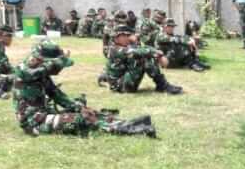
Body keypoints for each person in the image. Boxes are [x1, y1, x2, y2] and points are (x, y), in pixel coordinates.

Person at [13, 40, 156, 137]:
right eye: (58, 67)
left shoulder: (41, 73)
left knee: (86, 112)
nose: (60, 69)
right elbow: (31, 73)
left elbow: (57, 95)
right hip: (34, 122)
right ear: (43, 61)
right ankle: (128, 130)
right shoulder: (24, 70)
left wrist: (79, 107)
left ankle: (124, 122)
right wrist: (57, 61)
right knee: (81, 120)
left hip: (45, 114)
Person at [103, 25, 183, 94]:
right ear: (116, 37)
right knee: (142, 57)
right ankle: (162, 85)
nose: (128, 37)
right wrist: (157, 53)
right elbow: (137, 52)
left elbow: (142, 48)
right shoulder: (114, 49)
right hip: (119, 86)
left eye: (129, 35)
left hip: (124, 82)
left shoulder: (124, 46)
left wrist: (156, 53)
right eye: (125, 35)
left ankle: (162, 84)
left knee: (144, 55)